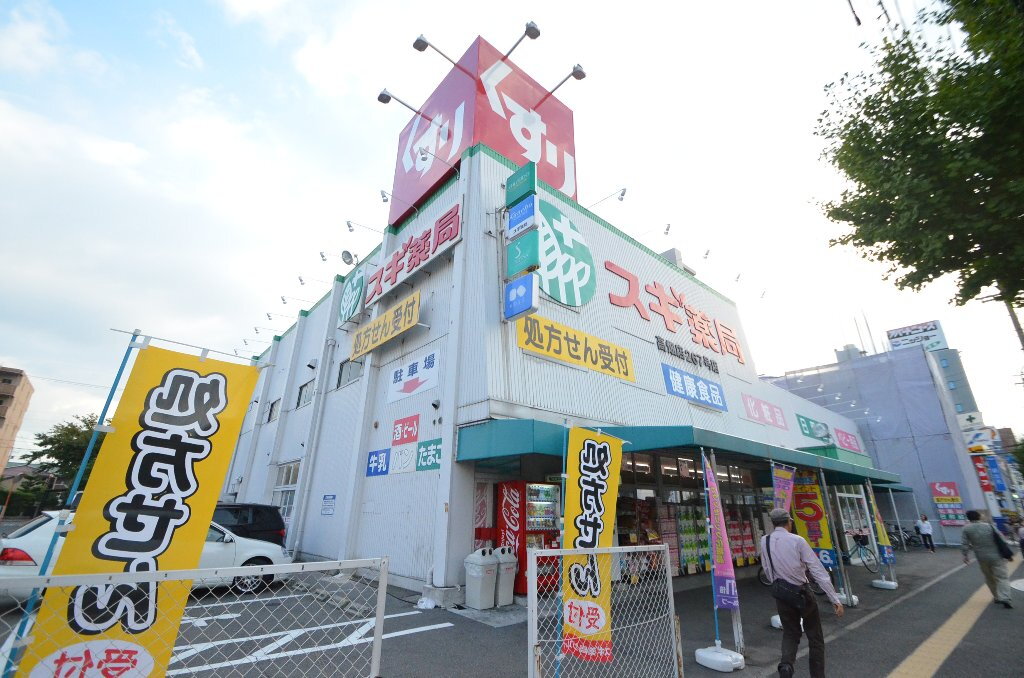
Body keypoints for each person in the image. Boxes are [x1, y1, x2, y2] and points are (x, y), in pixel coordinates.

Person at [761, 508, 844, 678]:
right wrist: (834, 598)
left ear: (773, 523)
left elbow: (767, 569)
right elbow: (817, 570)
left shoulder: (765, 540)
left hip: (781, 594)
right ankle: (817, 675)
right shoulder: (797, 540)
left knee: (790, 633)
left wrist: (779, 583)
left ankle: (786, 666)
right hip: (802, 592)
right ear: (788, 522)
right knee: (815, 637)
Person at [961, 510, 1013, 609]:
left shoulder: (966, 529)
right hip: (996, 556)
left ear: (968, 518)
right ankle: (1005, 597)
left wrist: (965, 555)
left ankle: (997, 597)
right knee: (1002, 577)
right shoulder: (989, 526)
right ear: (978, 517)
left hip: (981, 557)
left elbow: (964, 544)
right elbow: (1002, 538)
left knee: (989, 578)